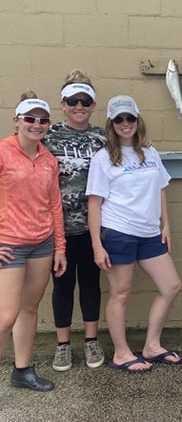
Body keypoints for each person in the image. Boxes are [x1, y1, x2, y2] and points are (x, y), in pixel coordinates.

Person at [86, 95, 182, 372]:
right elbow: (95, 203)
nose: (125, 124)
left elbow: (160, 189)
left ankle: (152, 346)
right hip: (119, 232)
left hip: (150, 233)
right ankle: (121, 353)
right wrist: (97, 245)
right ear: (111, 123)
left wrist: (166, 225)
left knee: (171, 286)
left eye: (130, 118)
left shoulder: (149, 151)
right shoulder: (103, 158)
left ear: (138, 120)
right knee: (121, 293)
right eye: (119, 119)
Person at [0, 94, 67, 391]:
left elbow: (55, 205)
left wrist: (60, 247)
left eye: (42, 120)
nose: (36, 125)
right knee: (5, 316)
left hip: (42, 243)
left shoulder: (48, 160)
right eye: (30, 119)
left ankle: (22, 371)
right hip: (9, 244)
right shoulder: (3, 152)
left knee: (29, 308)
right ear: (16, 121)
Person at [43, 70, 107, 372]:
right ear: (63, 103)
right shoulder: (48, 135)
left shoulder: (102, 138)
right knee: (63, 286)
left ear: (93, 104)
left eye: (85, 101)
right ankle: (63, 345)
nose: (79, 106)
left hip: (93, 227)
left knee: (91, 284)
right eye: (73, 100)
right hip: (59, 231)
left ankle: (92, 341)